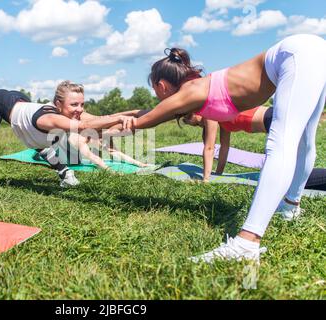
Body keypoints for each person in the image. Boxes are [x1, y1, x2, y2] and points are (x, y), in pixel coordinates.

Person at [132, 34, 326, 263]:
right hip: (313, 48)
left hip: (298, 53)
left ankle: (246, 242)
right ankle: (291, 208)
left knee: (282, 142)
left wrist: (91, 124)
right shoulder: (200, 89)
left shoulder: (193, 92)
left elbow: (146, 119)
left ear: (161, 84)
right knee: (304, 140)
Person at [0, 81, 136, 202]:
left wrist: (137, 115)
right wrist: (119, 118)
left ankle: (66, 176)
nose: (79, 109)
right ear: (58, 104)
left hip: (21, 102)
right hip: (1, 102)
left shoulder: (70, 113)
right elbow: (85, 126)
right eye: (74, 104)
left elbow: (99, 119)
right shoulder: (51, 118)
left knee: (40, 142)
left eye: (82, 104)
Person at [182, 107, 326, 193]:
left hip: (276, 119)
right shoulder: (221, 120)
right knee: (289, 173)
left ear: (194, 113)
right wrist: (218, 174)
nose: (188, 123)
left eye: (187, 119)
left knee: (288, 174)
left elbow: (209, 148)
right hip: (275, 121)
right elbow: (224, 148)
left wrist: (206, 180)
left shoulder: (210, 114)